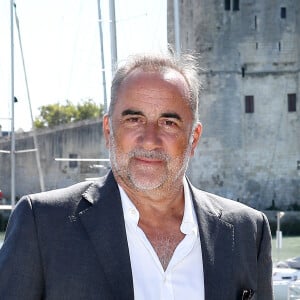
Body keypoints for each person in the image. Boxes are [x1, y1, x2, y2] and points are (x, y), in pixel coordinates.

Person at [0, 51, 273, 300]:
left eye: (169, 122)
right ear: (109, 130)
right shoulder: (42, 224)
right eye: (134, 119)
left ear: (194, 138)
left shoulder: (247, 231)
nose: (150, 140)